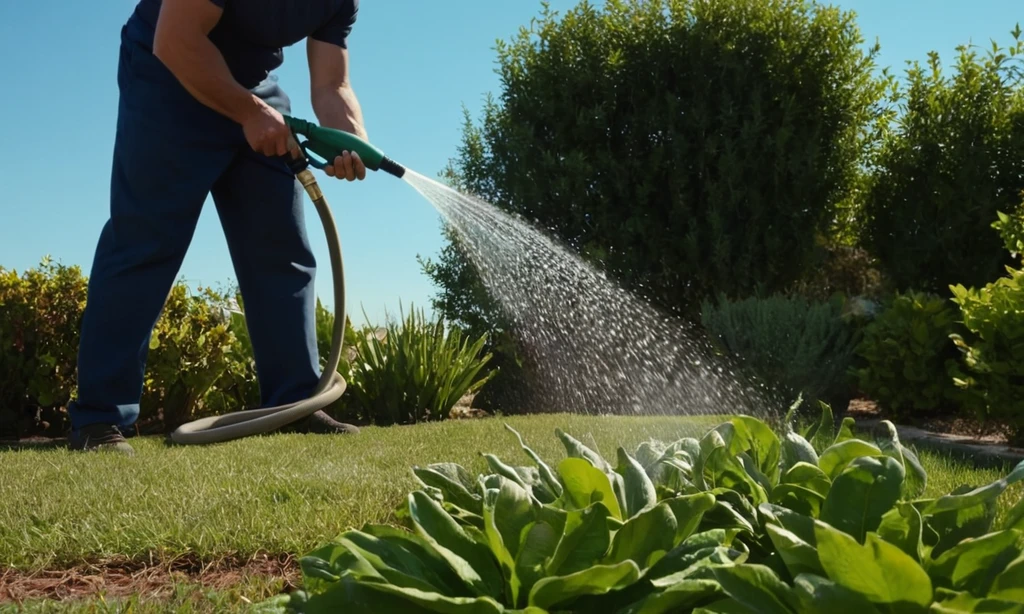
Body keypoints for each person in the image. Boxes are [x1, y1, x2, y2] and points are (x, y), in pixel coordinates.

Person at [67, 0, 368, 454]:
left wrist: (352, 140)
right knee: (145, 240)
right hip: (167, 72)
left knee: (281, 250)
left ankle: (294, 404)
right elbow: (176, 39)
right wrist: (248, 114)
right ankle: (100, 421)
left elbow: (332, 84)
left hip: (256, 86)